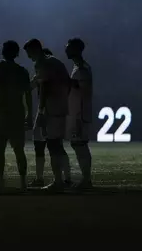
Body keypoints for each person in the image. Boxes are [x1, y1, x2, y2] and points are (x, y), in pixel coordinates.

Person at [0, 41, 32, 192]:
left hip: (2, 112)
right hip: (17, 111)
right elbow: (28, 94)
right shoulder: (22, 71)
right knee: (19, 149)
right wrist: (30, 113)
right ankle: (23, 183)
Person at [24, 39, 71, 191]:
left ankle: (58, 181)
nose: (29, 57)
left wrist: (42, 110)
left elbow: (44, 86)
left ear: (35, 50)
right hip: (61, 108)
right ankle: (65, 178)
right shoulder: (55, 63)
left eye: (29, 53)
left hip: (51, 109)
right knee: (56, 144)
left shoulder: (42, 63)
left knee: (52, 144)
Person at [65, 38, 93, 189]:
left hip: (79, 113)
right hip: (76, 112)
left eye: (68, 47)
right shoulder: (78, 67)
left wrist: (63, 79)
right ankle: (86, 178)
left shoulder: (82, 68)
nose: (66, 49)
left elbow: (80, 88)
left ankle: (87, 179)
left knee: (80, 144)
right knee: (77, 144)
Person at [29, 47, 54, 186]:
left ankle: (40, 178)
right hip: (53, 110)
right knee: (55, 145)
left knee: (41, 144)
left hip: (46, 111)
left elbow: (29, 86)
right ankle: (65, 177)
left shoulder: (44, 73)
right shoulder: (54, 72)